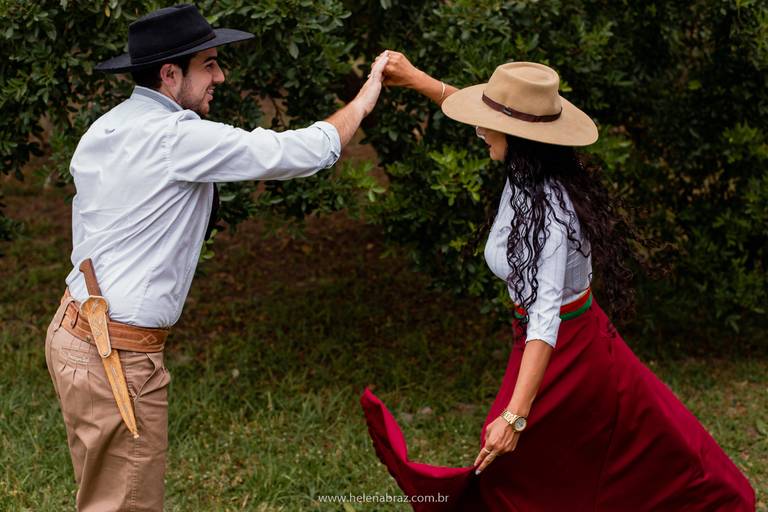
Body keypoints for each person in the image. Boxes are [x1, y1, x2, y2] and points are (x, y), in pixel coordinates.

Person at [360, 53, 755, 510]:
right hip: (547, 342)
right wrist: (418, 80)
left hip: (566, 352)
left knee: (523, 467)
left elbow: (545, 319)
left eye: (487, 123)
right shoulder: (526, 165)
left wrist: (515, 415)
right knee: (544, 473)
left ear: (518, 135)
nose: (479, 129)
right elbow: (475, 113)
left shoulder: (551, 211)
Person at [44, 4, 388, 511]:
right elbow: (306, 151)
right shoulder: (176, 137)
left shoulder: (107, 126)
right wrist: (367, 94)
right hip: (115, 355)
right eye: (209, 64)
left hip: (73, 334)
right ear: (169, 74)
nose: (220, 77)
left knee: (101, 495)